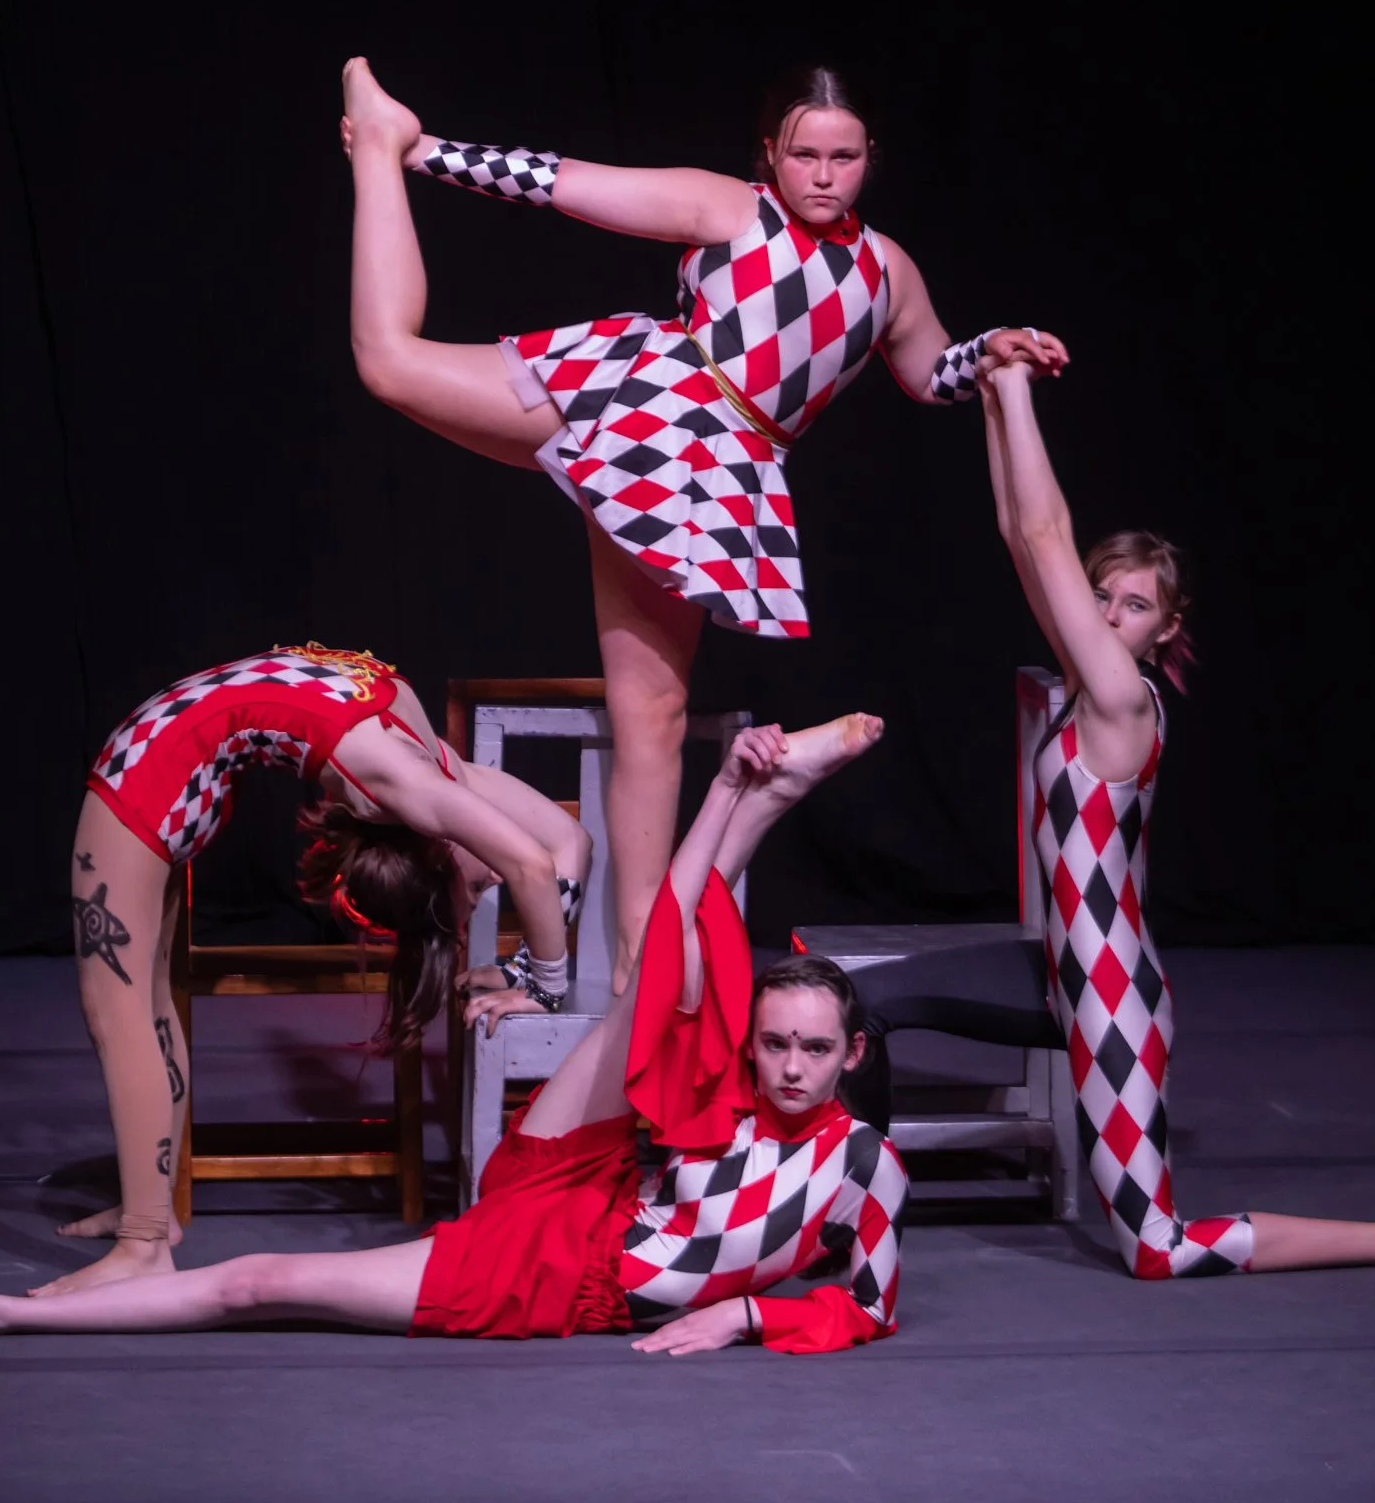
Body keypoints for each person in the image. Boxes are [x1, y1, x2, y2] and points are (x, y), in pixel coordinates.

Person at [0, 716, 909, 1353]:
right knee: (660, 979)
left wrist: (743, 1318)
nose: (784, 1065)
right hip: (580, 1182)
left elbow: (867, 1304)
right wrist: (718, 789)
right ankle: (752, 794)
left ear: (851, 1057)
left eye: (812, 1051)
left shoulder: (865, 1164)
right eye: (772, 1042)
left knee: (259, 1283)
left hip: (557, 1276)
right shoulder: (743, 1090)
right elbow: (671, 971)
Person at [341, 52, 1028, 988]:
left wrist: (993, 351)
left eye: (845, 155)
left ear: (872, 156)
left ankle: (637, 967)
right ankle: (378, 147)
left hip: (721, 472)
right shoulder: (731, 208)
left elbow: (927, 370)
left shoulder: (888, 273)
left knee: (653, 713)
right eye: (805, 155)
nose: (824, 175)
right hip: (651, 400)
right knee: (388, 364)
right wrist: (425, 154)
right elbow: (562, 186)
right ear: (770, 156)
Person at [977, 338, 1375, 1276]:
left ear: (1166, 627)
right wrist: (989, 391)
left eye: (1133, 605)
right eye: (1099, 597)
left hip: (1113, 995)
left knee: (1156, 1248)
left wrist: (1015, 389)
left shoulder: (1119, 702)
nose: (1106, 615)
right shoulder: (1080, 685)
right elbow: (1019, 538)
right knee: (1149, 1239)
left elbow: (1041, 536)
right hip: (1084, 980)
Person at [35, 641, 588, 1300]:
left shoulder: (431, 774)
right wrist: (545, 990)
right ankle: (145, 1227)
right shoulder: (412, 782)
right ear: (439, 849)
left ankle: (144, 1236)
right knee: (125, 1012)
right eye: (470, 895)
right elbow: (530, 861)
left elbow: (567, 845)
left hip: (173, 759)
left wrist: (521, 973)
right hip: (153, 757)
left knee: (134, 1008)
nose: (490, 881)